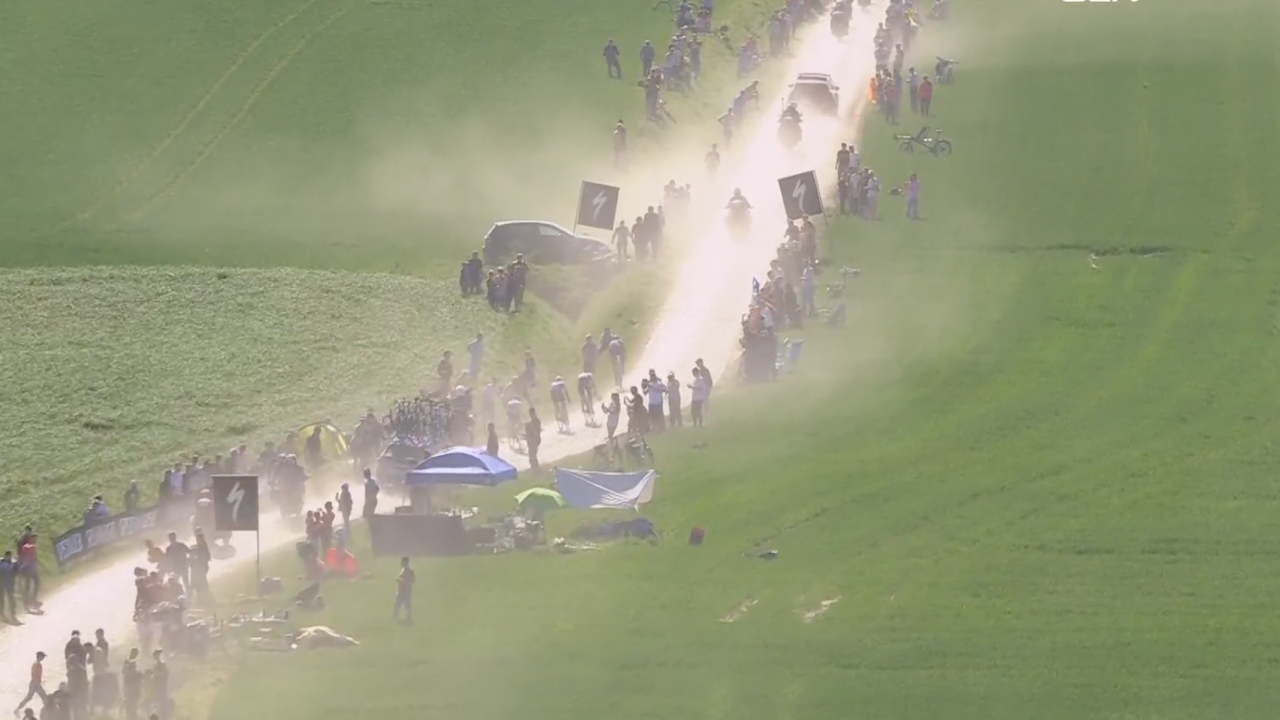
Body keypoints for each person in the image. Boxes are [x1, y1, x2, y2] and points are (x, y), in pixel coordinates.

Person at [13, 651, 47, 715]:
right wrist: (38, 684)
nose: (43, 658)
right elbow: (35, 675)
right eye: (42, 657)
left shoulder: (35, 664)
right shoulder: (37, 665)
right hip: (35, 684)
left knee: (29, 697)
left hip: (34, 683)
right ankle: (48, 710)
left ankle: (17, 709)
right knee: (44, 696)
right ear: (39, 657)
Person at [121, 650, 142, 720]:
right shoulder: (127, 662)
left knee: (132, 704)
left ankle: (132, 716)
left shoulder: (130, 662)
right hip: (129, 686)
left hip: (132, 687)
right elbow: (124, 672)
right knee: (129, 704)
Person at [393, 557, 415, 624]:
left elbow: (411, 581)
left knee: (407, 606)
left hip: (406, 591)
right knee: (397, 605)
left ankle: (408, 619)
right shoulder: (403, 570)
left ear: (406, 562)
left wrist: (401, 581)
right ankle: (394, 618)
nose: (401, 563)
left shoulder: (409, 571)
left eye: (402, 562)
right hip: (401, 591)